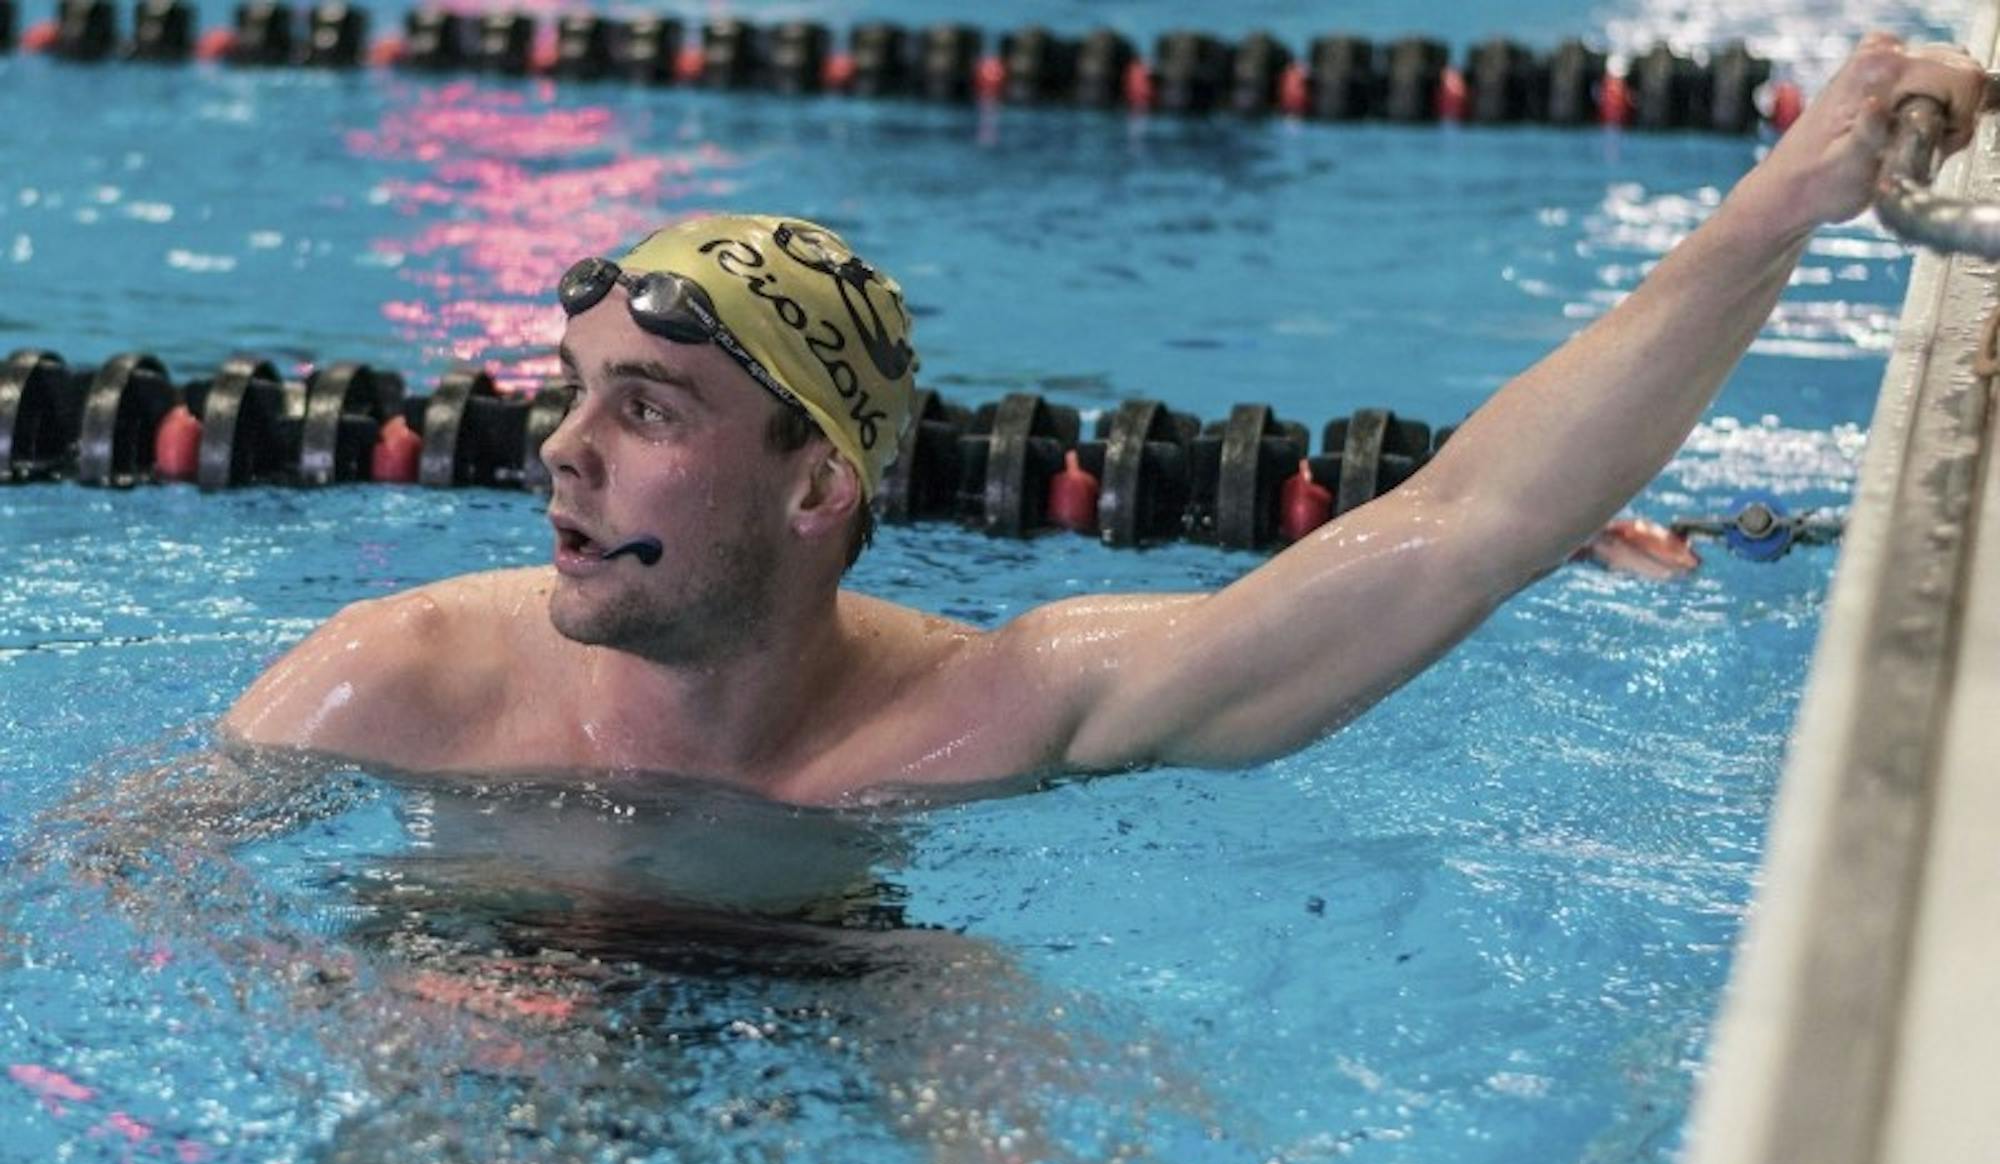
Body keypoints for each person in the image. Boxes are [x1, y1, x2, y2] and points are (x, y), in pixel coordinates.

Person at [223, 36, 1987, 806]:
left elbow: (1475, 529)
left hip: (845, 1009)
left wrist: (1776, 212)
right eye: (568, 399)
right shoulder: (401, 688)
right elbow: (128, 899)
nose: (559, 454)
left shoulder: (992, 711)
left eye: (647, 406)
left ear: (822, 480)